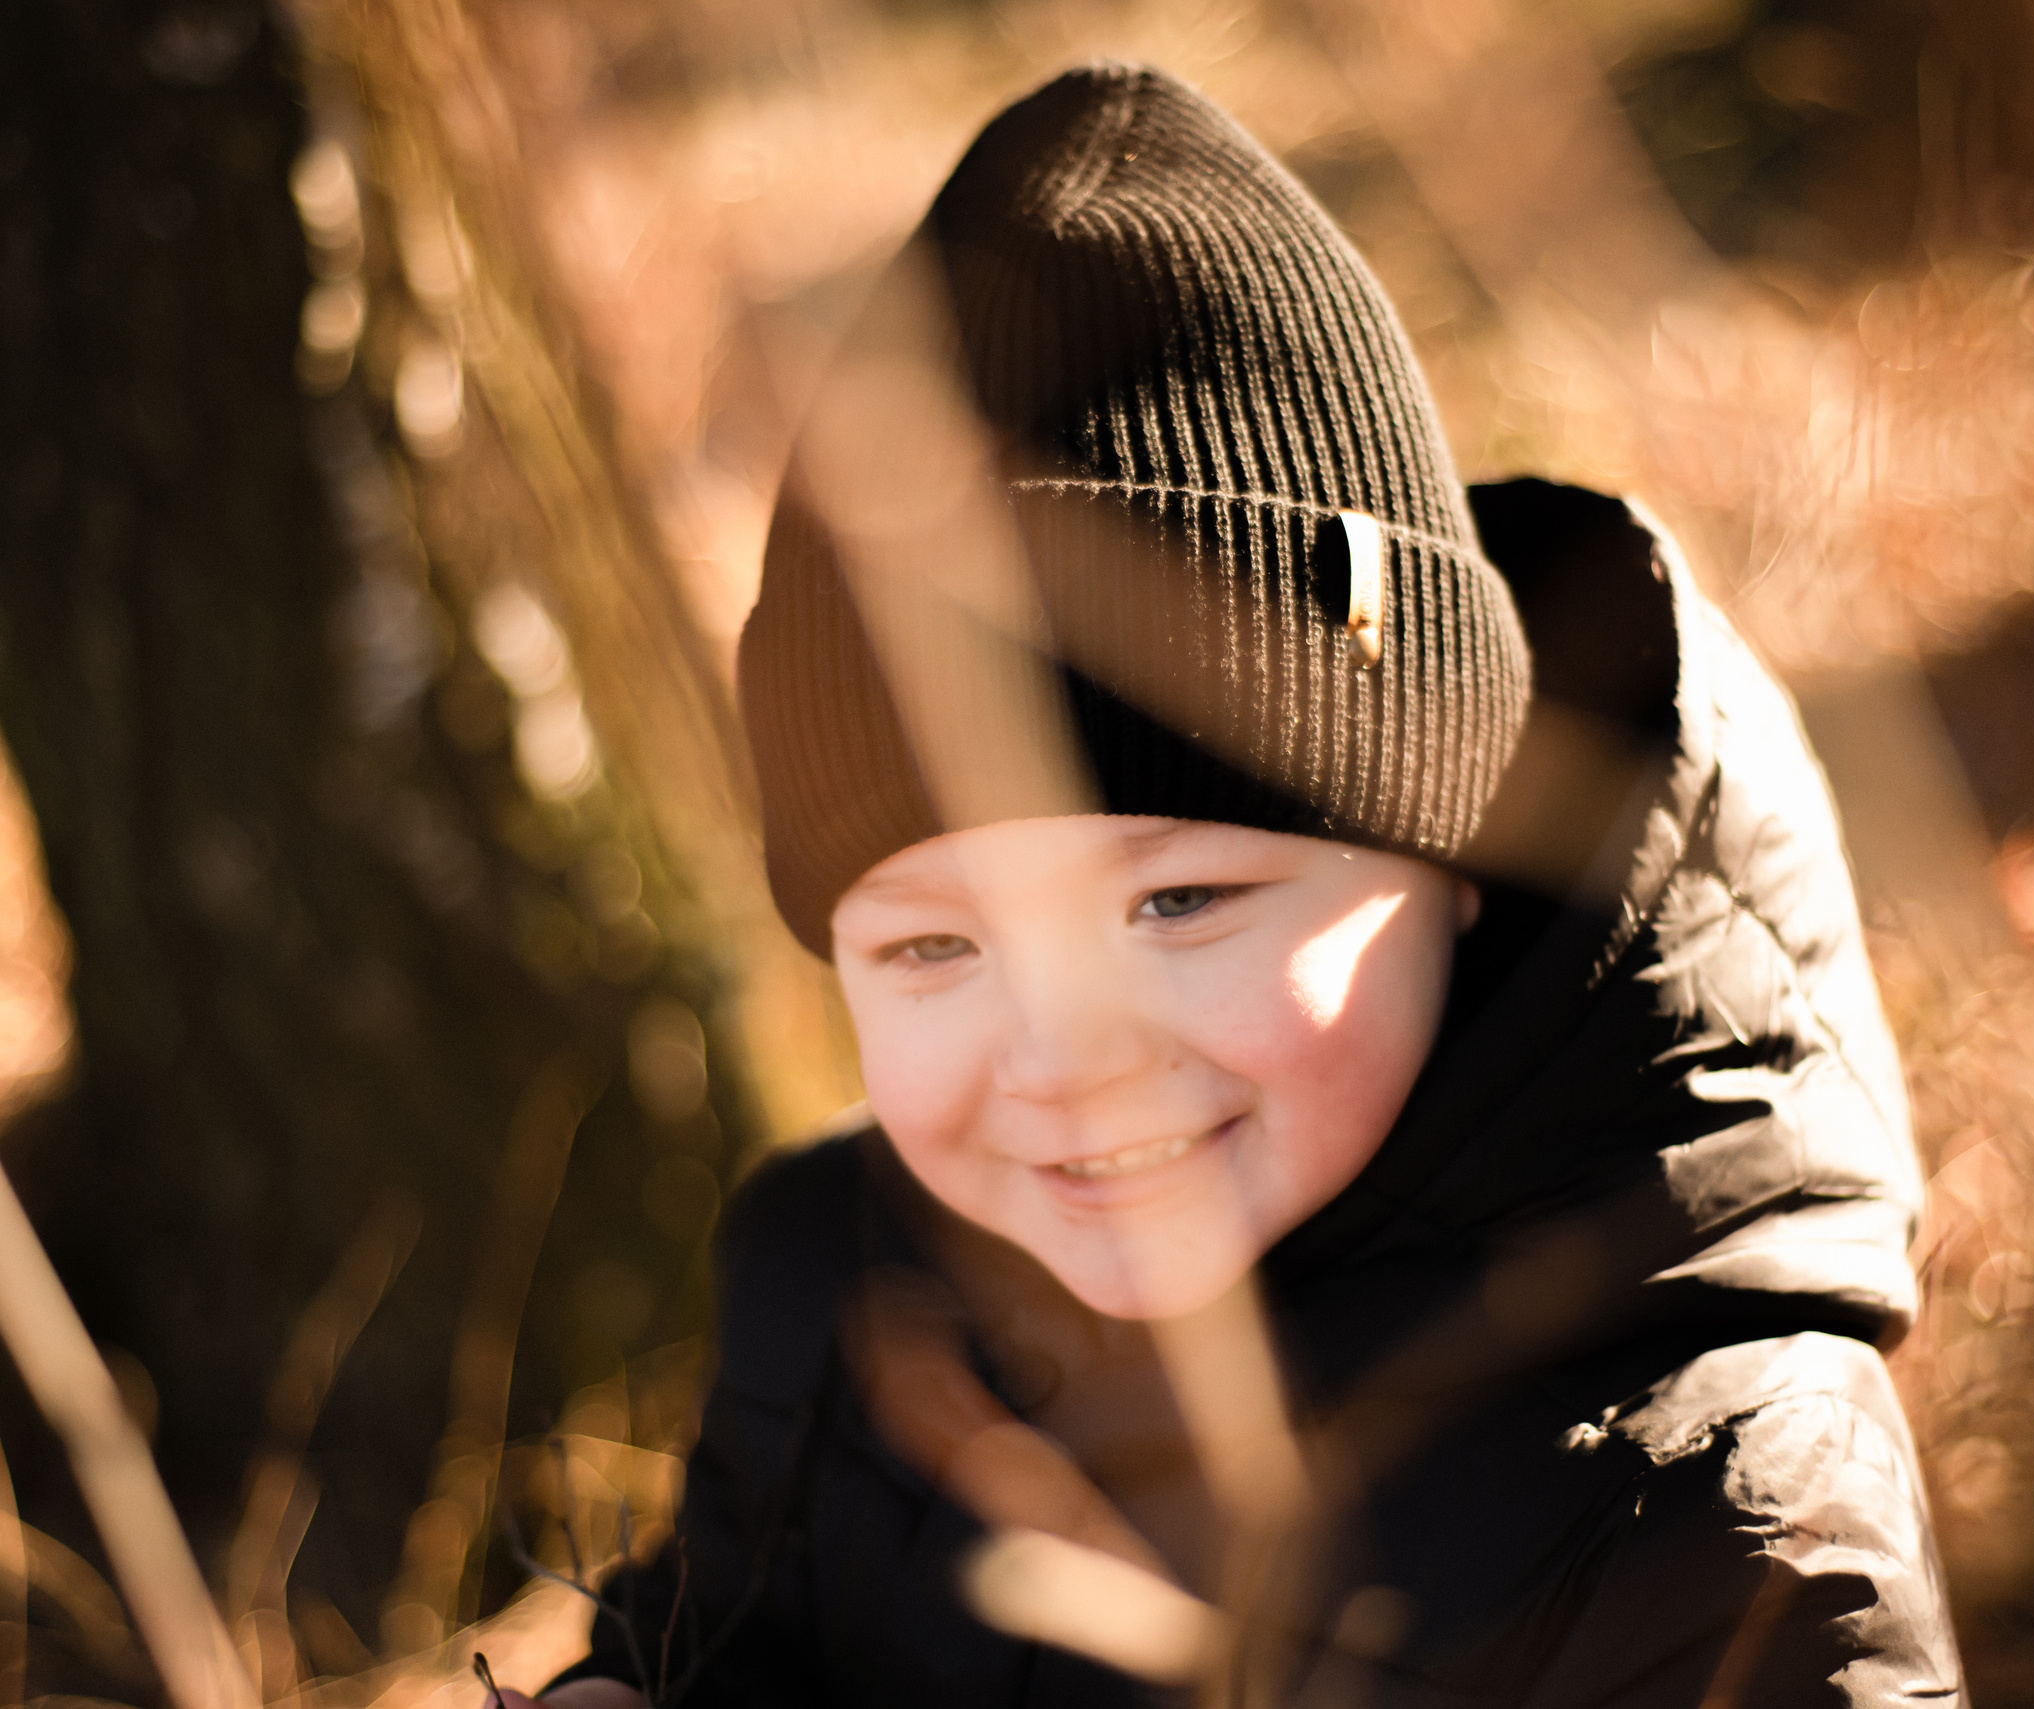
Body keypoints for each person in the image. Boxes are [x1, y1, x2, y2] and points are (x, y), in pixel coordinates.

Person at [515, 61, 1960, 1708]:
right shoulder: (842, 1308)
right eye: (929, 941)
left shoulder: (1715, 1486)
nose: (1066, 1051)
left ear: (1453, 852)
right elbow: (729, 1628)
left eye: (1176, 903)